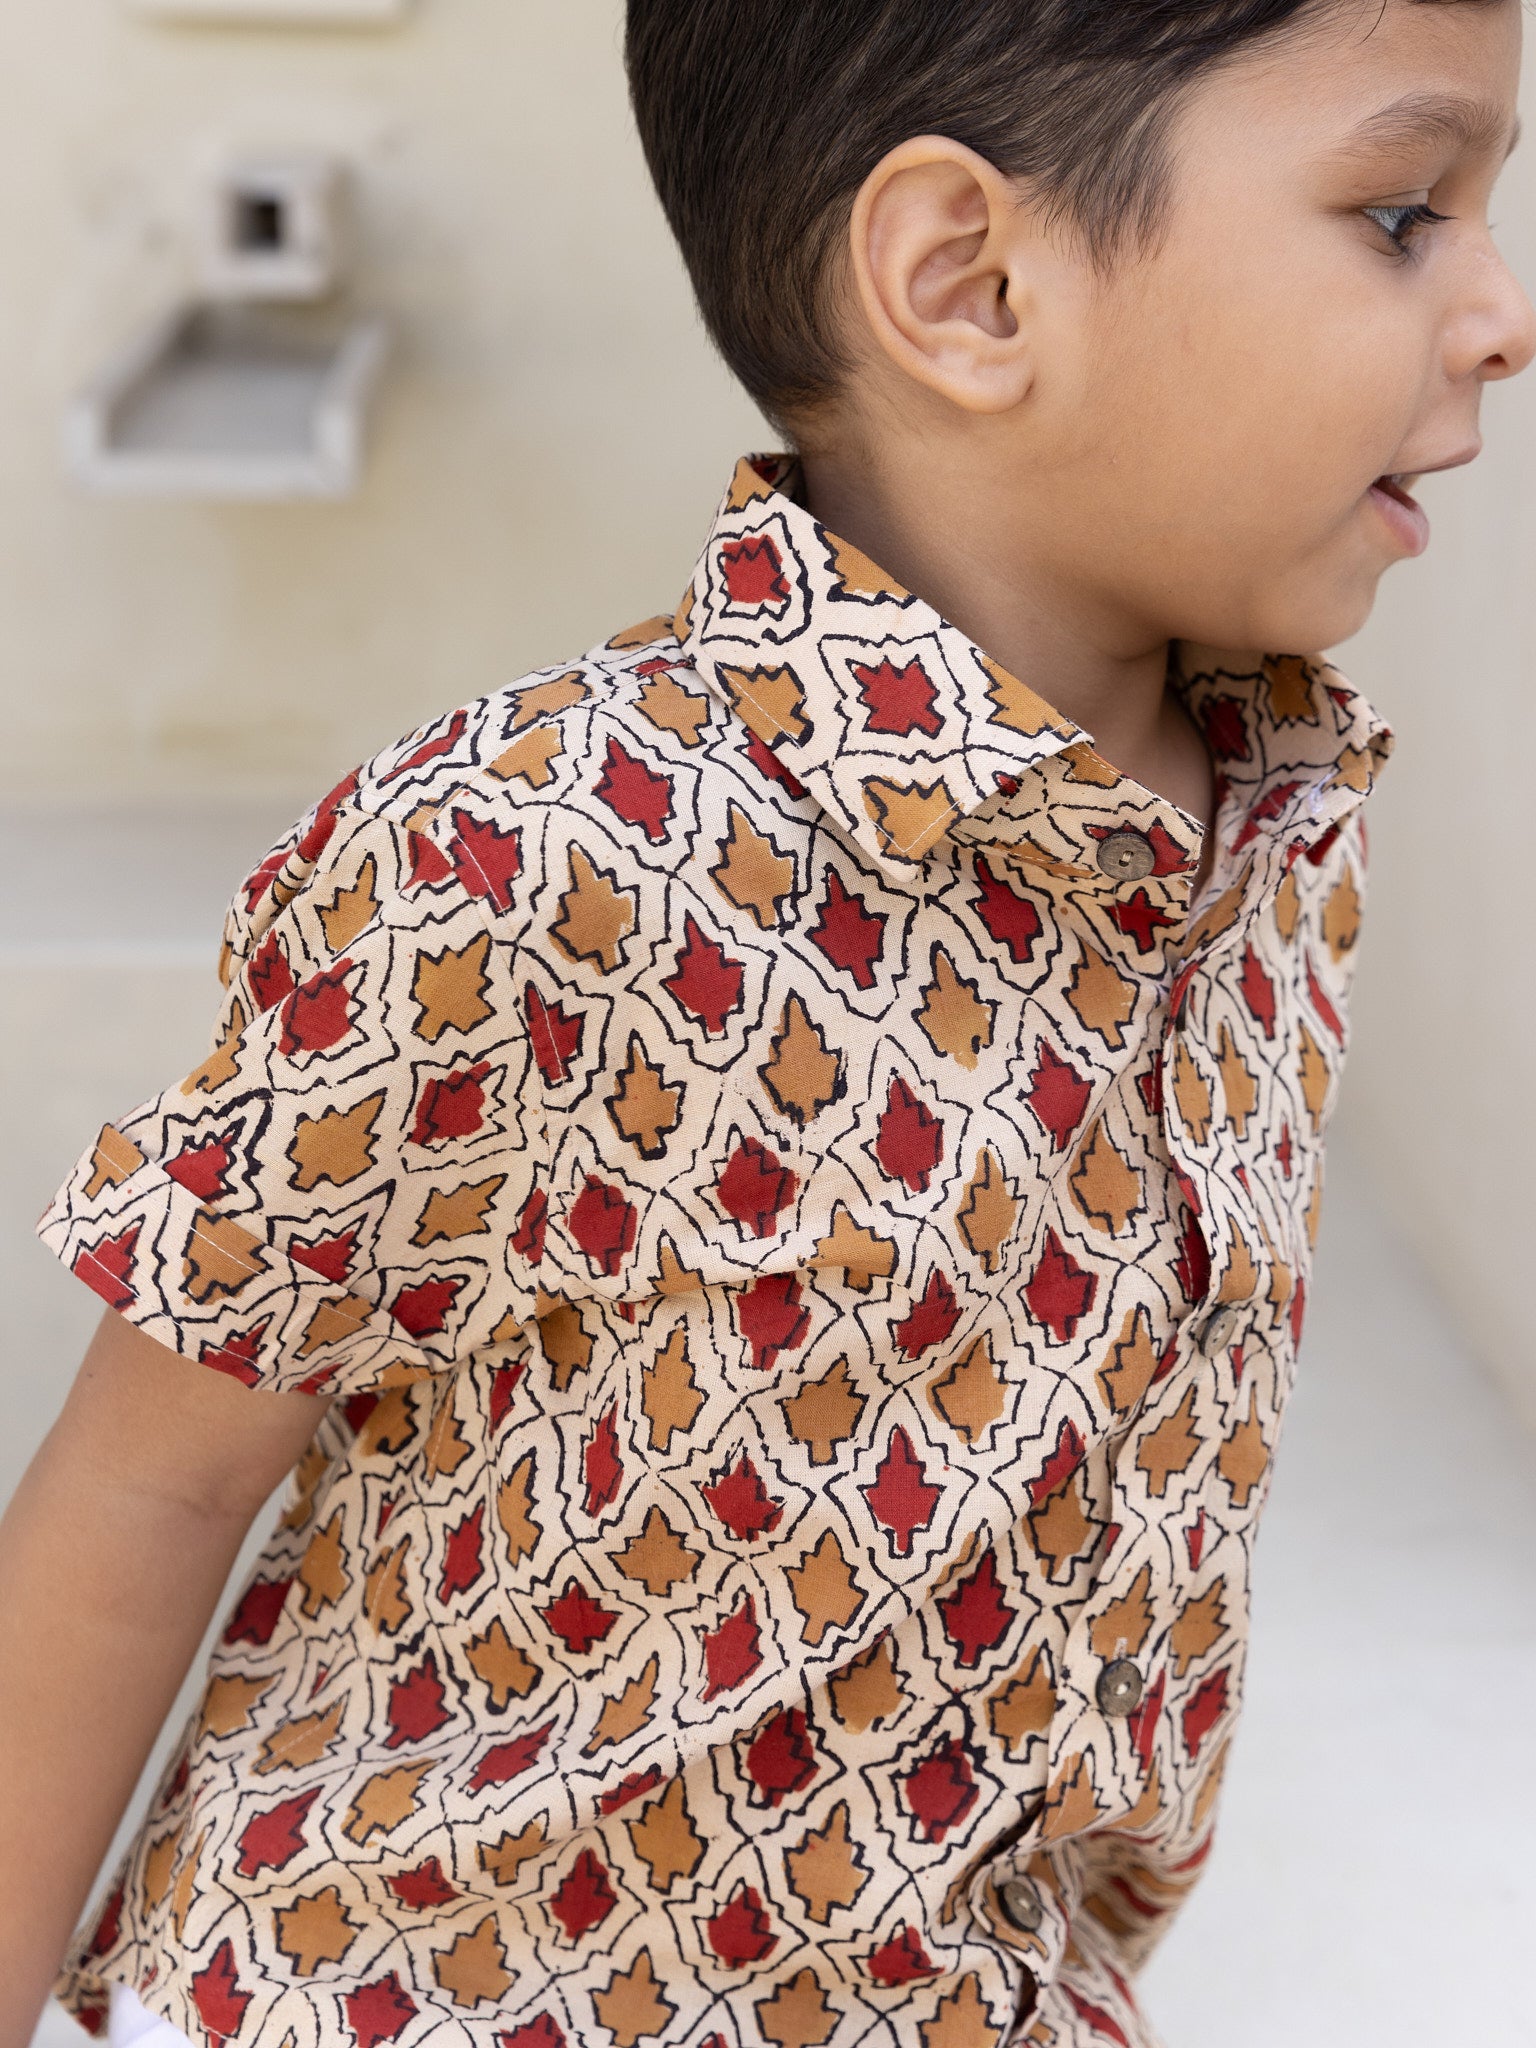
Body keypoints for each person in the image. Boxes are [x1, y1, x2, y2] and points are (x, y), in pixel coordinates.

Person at [3, 2, 1531, 2044]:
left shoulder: (1277, 837)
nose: (1502, 313)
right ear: (972, 286)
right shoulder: (525, 863)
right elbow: (148, 1485)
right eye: (1406, 213)